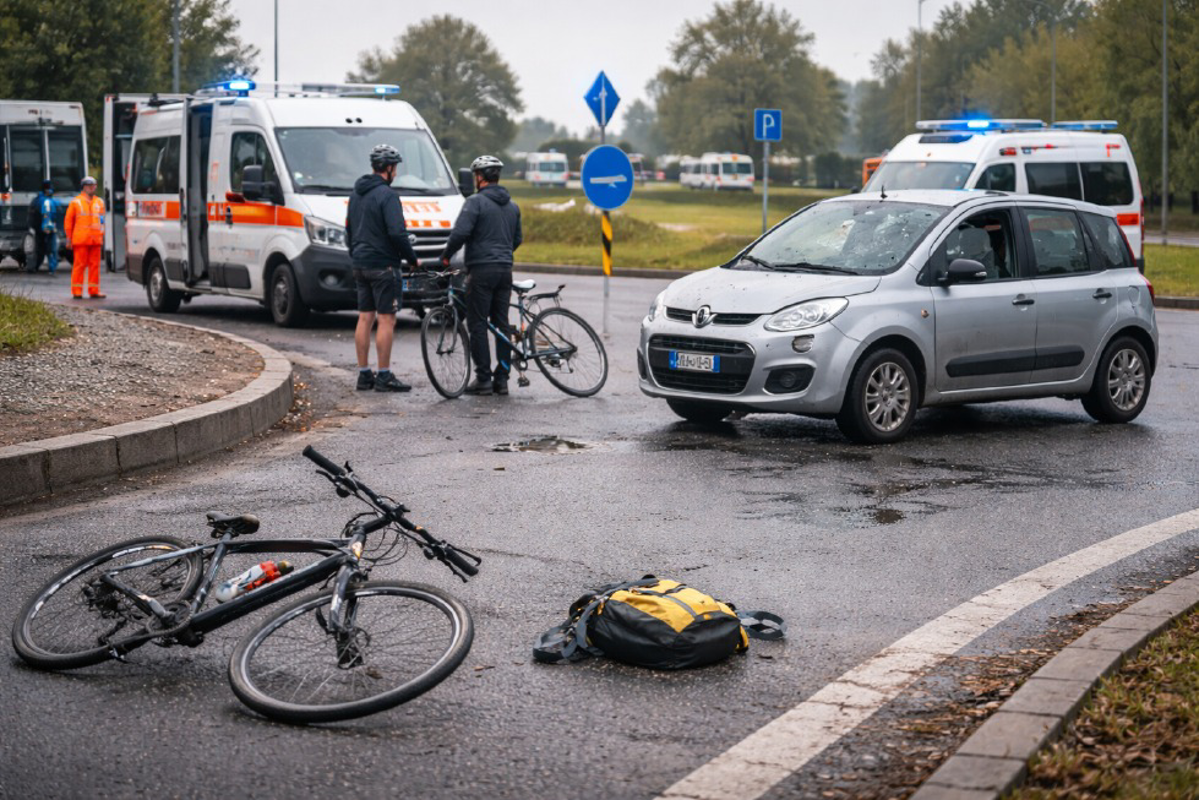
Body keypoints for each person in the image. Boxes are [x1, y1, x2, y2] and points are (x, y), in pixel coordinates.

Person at [438, 155, 523, 396]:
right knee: (501, 324)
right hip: (505, 271)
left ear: (479, 177)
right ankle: (503, 379)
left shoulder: (475, 202)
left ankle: (483, 379)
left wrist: (445, 256)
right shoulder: (512, 205)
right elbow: (517, 239)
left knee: (477, 324)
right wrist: (502, 255)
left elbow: (461, 232)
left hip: (481, 271)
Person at [345, 143, 420, 392]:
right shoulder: (388, 196)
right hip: (383, 266)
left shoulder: (356, 194)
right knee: (386, 319)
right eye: (395, 168)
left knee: (365, 317)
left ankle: (364, 374)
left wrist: (356, 253)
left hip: (360, 264)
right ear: (388, 168)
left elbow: (349, 230)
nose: (396, 173)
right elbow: (397, 233)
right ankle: (384, 375)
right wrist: (411, 259)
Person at [64, 176, 106, 298]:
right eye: (89, 186)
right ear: (84, 187)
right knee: (79, 265)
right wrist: (68, 238)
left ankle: (94, 290)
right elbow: (68, 222)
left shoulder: (99, 202)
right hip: (81, 240)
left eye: (94, 185)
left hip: (95, 240)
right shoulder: (76, 202)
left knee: (95, 266)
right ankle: (76, 291)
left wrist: (101, 236)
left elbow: (102, 221)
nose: (92, 188)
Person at [25, 180, 55, 273]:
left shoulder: (38, 199)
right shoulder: (44, 200)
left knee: (38, 248)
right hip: (42, 228)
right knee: (45, 248)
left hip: (38, 227)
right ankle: (36, 267)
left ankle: (34, 267)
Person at [36, 181, 59, 277]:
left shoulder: (39, 200)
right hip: (49, 228)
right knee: (51, 248)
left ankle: (38, 267)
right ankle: (51, 267)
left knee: (45, 248)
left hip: (42, 228)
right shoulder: (49, 201)